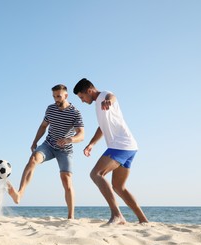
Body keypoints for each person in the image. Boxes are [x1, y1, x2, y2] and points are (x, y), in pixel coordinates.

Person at [73, 78, 148, 224]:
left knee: (96, 174)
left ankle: (117, 215)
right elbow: (102, 128)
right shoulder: (98, 105)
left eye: (82, 97)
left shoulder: (104, 96)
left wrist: (108, 101)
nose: (82, 101)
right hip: (129, 146)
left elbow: (112, 96)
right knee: (119, 187)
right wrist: (91, 144)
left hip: (121, 145)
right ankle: (143, 220)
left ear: (89, 91)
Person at [8, 84, 84, 219]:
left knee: (66, 180)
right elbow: (43, 126)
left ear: (66, 96)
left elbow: (81, 135)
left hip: (65, 150)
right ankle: (19, 194)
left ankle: (70, 217)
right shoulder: (50, 109)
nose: (56, 99)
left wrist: (68, 140)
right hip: (48, 145)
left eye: (58, 96)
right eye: (54, 96)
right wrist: (34, 141)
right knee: (33, 160)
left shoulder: (75, 113)